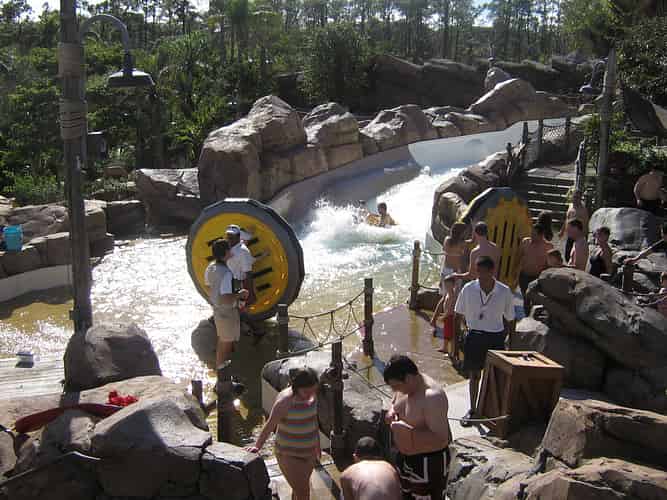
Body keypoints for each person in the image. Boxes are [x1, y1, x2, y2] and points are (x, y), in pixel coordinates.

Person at [454, 256, 515, 427]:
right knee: (474, 375)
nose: (480, 276)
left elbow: (511, 319)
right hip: (474, 336)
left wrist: (512, 343)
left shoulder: (504, 291)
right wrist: (456, 343)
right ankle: (473, 409)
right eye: (477, 271)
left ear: (492, 271)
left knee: (495, 377)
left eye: (483, 272)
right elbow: (457, 315)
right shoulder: (468, 289)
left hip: (495, 337)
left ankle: (492, 410)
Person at [383, 355, 451, 500]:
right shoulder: (406, 387)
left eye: (396, 386)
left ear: (408, 378)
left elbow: (441, 439)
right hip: (405, 460)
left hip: (428, 462)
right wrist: (391, 411)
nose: (395, 390)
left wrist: (409, 433)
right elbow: (395, 401)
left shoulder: (432, 397)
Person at [247, 367, 320, 500]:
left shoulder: (312, 395)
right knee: (303, 492)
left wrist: (317, 445)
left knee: (298, 490)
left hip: (309, 452)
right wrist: (257, 446)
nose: (310, 395)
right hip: (289, 454)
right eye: (306, 391)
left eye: (313, 390)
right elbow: (270, 424)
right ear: (296, 387)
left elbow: (313, 420)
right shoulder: (285, 401)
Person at [204, 239, 249, 368]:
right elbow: (225, 299)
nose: (231, 250)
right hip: (227, 312)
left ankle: (221, 369)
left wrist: (216, 298)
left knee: (223, 340)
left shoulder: (210, 267)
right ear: (225, 253)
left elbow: (208, 286)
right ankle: (222, 371)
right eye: (229, 249)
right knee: (227, 343)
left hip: (217, 310)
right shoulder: (226, 273)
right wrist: (240, 294)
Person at [431, 222, 467, 329]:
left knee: (444, 298)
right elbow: (470, 243)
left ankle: (434, 319)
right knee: (454, 298)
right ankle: (450, 322)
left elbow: (445, 251)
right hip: (455, 273)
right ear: (461, 233)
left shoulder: (447, 240)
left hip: (445, 270)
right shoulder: (461, 243)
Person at [517, 224, 553, 315]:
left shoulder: (548, 247)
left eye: (534, 235)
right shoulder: (525, 242)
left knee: (536, 301)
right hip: (524, 276)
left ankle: (534, 318)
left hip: (537, 278)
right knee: (526, 299)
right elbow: (518, 257)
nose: (531, 236)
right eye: (531, 234)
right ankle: (527, 316)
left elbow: (550, 265)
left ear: (541, 235)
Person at [225, 224, 256, 307]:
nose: (229, 238)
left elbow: (248, 273)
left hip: (237, 284)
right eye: (228, 235)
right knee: (231, 307)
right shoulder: (228, 247)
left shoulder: (243, 251)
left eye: (232, 236)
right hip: (228, 282)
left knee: (239, 308)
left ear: (238, 236)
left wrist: (250, 293)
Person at [560, 191, 589, 262]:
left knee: (575, 253)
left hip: (578, 235)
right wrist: (562, 231)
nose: (575, 199)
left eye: (577, 197)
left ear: (580, 198)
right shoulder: (571, 206)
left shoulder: (583, 210)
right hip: (570, 234)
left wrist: (583, 237)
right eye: (574, 197)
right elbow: (567, 219)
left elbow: (585, 224)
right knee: (567, 254)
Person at [434, 275, 457, 357]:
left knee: (451, 335)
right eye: (446, 285)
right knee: (446, 333)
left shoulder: (452, 296)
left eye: (449, 285)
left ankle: (452, 351)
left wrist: (444, 316)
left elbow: (450, 309)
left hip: (450, 317)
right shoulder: (447, 294)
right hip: (447, 316)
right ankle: (445, 348)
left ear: (453, 285)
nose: (447, 287)